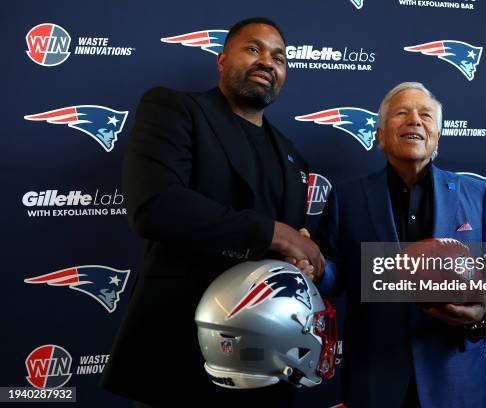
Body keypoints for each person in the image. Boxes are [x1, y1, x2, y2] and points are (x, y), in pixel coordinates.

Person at [101, 17, 324, 407]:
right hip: (180, 349)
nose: (267, 62)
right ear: (222, 59)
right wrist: (275, 233)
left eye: (280, 58)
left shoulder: (293, 156)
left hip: (267, 361)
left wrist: (295, 259)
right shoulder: (174, 109)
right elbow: (155, 205)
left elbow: (283, 248)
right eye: (253, 49)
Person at [314, 82, 486, 407]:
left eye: (425, 115)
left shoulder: (478, 195)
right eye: (402, 113)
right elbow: (336, 272)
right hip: (375, 376)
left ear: (436, 136)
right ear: (379, 135)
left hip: (454, 377)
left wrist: (480, 314)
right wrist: (316, 269)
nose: (415, 121)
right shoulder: (347, 197)